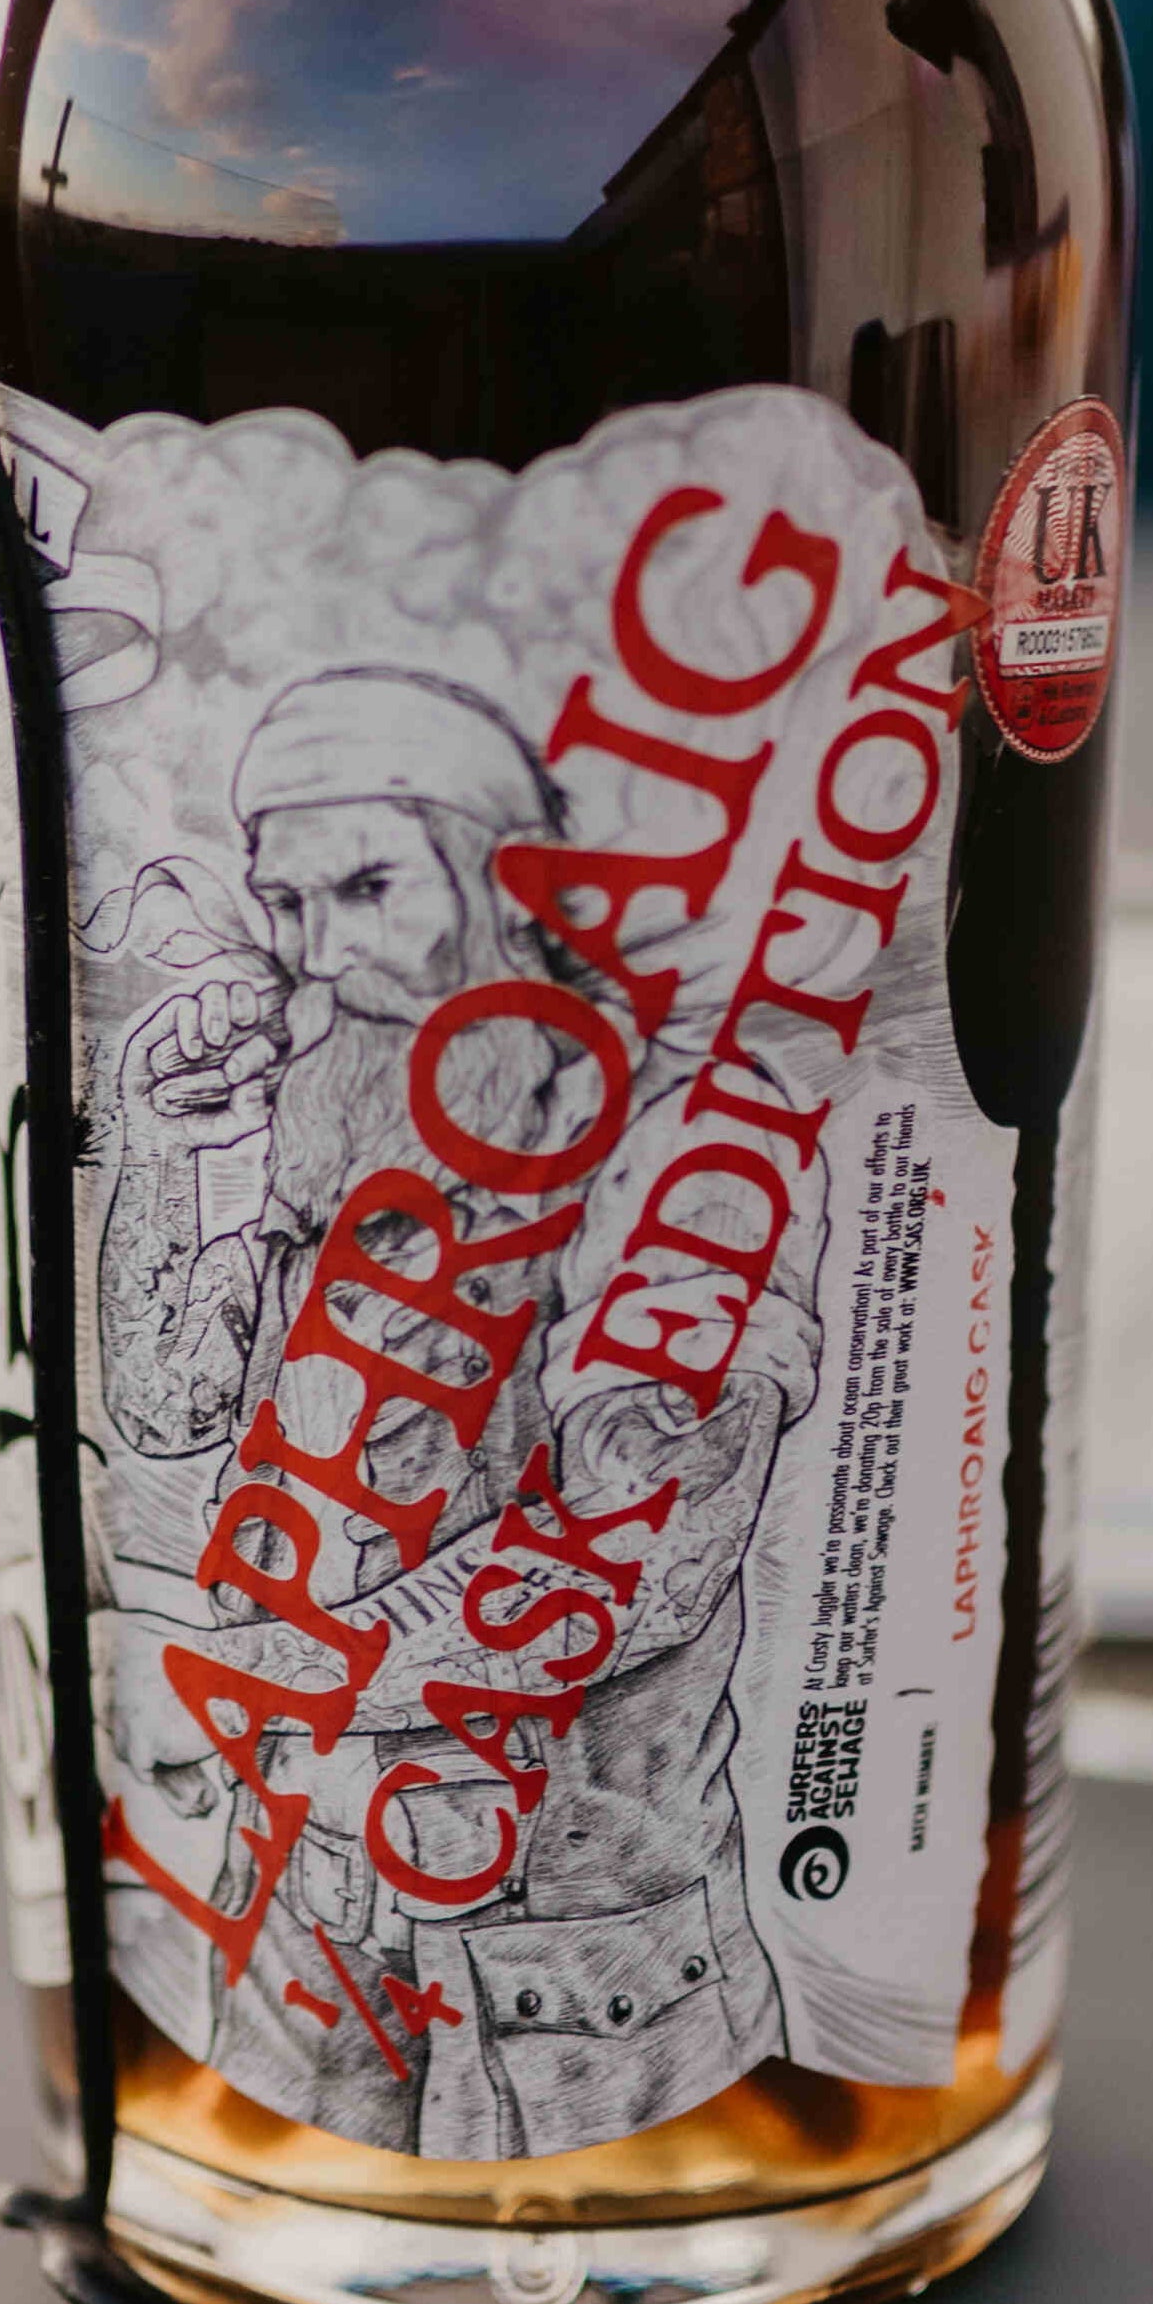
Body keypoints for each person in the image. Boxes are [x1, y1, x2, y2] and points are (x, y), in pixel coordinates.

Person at [96, 665, 823, 2152]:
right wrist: (179, 1159)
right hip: (293, 1931)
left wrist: (249, 1678)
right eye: (288, 907)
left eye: (368, 888)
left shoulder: (688, 1137)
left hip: (570, 1993)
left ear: (507, 880)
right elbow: (165, 1404)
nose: (322, 954)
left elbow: (634, 1556)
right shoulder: (338, 1120)